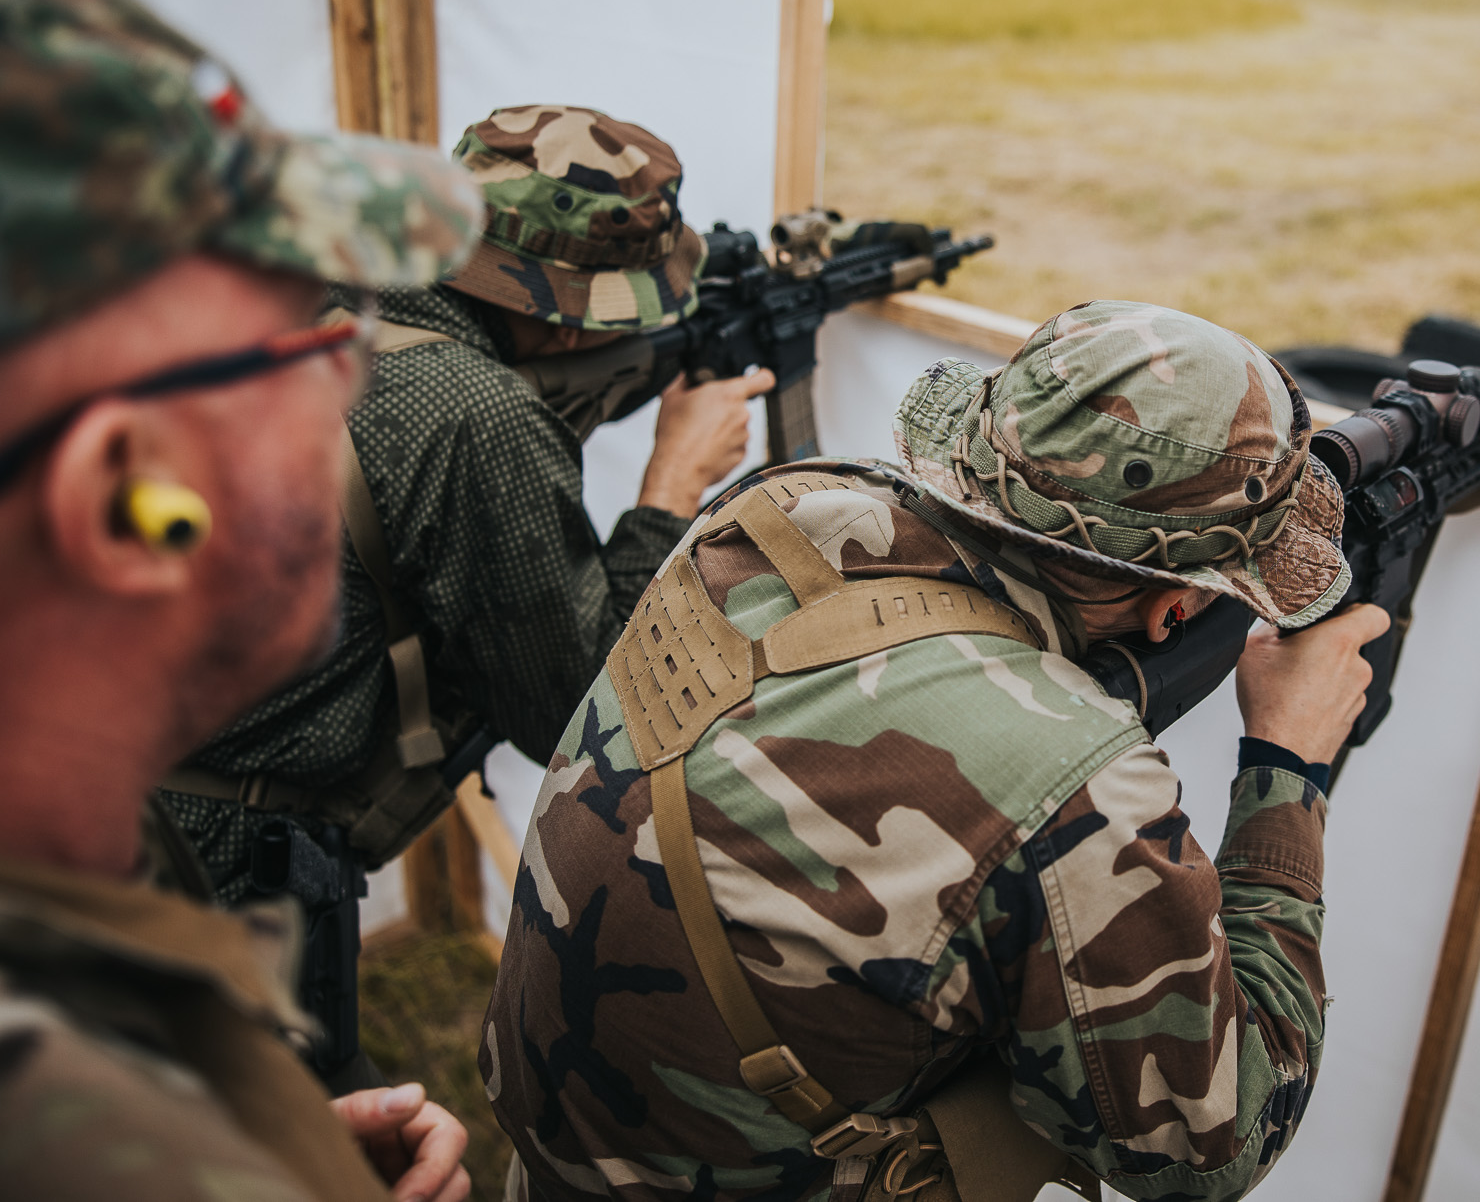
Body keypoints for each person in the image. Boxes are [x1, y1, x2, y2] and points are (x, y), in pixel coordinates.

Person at [481, 299, 1391, 1201]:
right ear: (1173, 607)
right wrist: (1287, 762)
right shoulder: (1074, 781)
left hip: (556, 1155)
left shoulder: (767, 512)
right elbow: (1215, 1146)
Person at [0, 0, 480, 1201]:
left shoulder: (97, 850)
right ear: (123, 500)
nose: (351, 378)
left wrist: (271, 1127)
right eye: (302, 340)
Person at [157, 106, 775, 1055]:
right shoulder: (471, 415)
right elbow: (571, 709)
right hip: (231, 873)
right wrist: (670, 485)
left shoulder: (318, 293)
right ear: (573, 323)